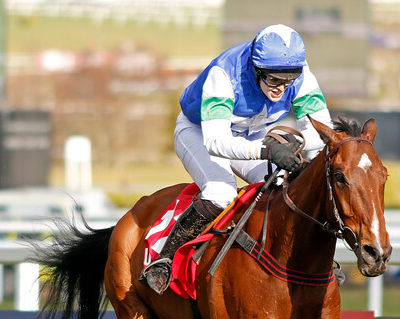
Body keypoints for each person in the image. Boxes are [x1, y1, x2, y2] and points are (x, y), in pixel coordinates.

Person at [141, 24, 334, 294]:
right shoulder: (225, 74)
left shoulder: (302, 77)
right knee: (221, 192)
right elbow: (217, 142)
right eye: (273, 79)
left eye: (287, 80)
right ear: (256, 69)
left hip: (251, 134)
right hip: (199, 131)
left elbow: (321, 132)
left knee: (285, 187)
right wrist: (267, 151)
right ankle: (165, 258)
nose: (281, 88)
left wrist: (299, 146)